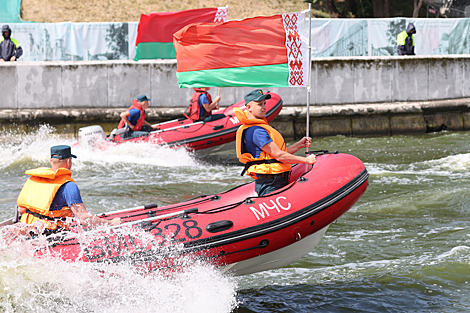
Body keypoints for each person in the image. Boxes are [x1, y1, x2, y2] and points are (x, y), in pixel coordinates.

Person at [16, 145, 120, 235]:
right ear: (69, 161)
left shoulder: (34, 179)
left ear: (51, 161)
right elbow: (83, 218)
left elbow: (21, 210)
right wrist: (111, 224)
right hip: (51, 235)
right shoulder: (68, 185)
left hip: (27, 230)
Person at [234, 89, 317, 197]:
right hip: (271, 183)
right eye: (259, 104)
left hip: (273, 180)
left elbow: (277, 154)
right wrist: (306, 160)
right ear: (249, 107)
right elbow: (279, 156)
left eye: (264, 103)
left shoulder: (255, 128)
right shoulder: (257, 131)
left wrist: (299, 145)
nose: (264, 107)